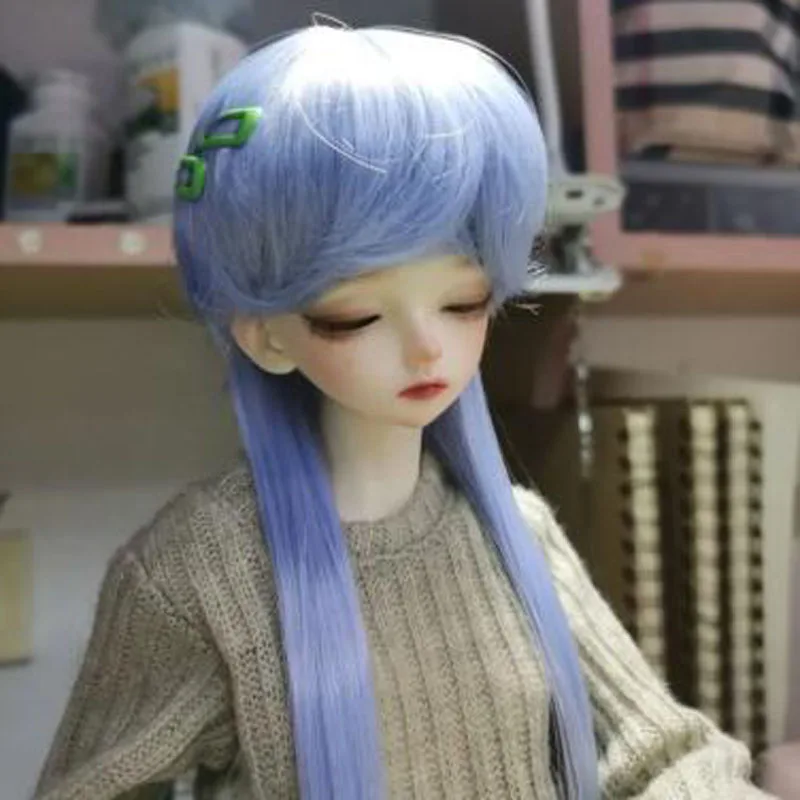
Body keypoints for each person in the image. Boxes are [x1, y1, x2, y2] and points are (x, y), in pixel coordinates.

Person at [33, 23, 773, 800]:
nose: (427, 350)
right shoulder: (198, 575)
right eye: (356, 317)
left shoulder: (516, 536)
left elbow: (661, 753)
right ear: (267, 337)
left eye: (463, 303)